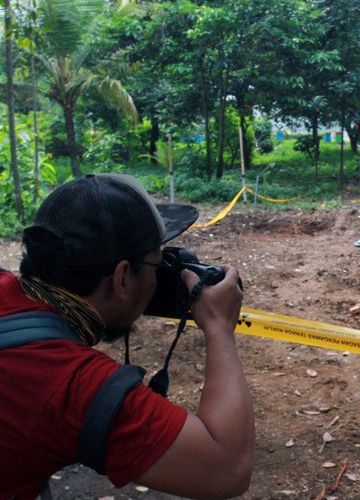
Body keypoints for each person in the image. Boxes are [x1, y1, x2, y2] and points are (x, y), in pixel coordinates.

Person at [0, 174, 255, 498]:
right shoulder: (70, 384)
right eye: (157, 264)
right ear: (122, 278)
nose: (161, 276)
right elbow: (227, 469)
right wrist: (219, 327)